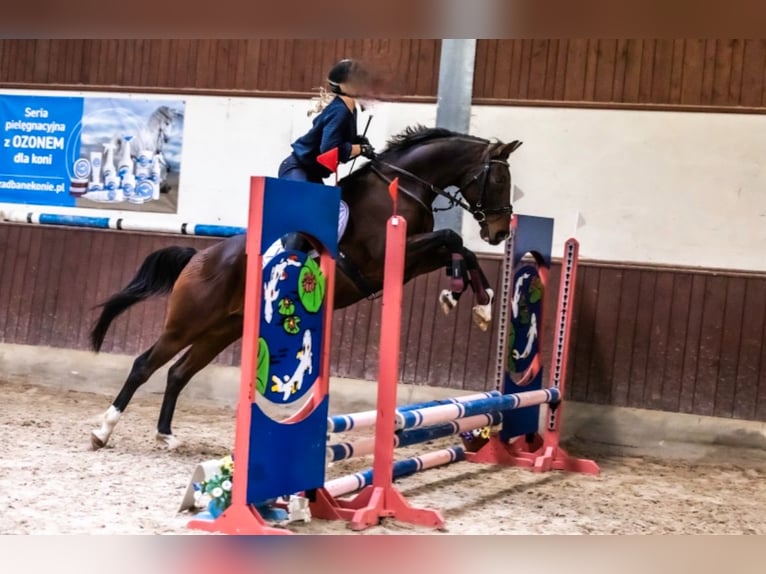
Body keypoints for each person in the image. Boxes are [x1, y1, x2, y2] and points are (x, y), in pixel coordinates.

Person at [278, 58, 377, 183]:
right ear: (344, 86)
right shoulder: (340, 111)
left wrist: (356, 141)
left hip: (312, 173)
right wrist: (360, 149)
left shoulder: (350, 109)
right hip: (298, 169)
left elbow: (336, 140)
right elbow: (329, 149)